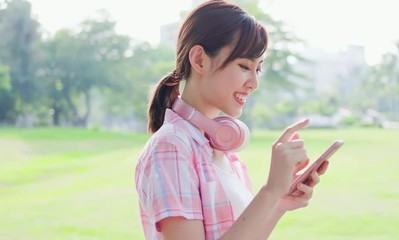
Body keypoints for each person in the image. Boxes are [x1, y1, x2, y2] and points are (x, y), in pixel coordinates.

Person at [134, 1, 329, 239]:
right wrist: (269, 191)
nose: (254, 83)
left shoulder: (222, 151)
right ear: (199, 60)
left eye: (258, 69)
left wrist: (279, 202)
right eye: (245, 66)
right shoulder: (171, 147)